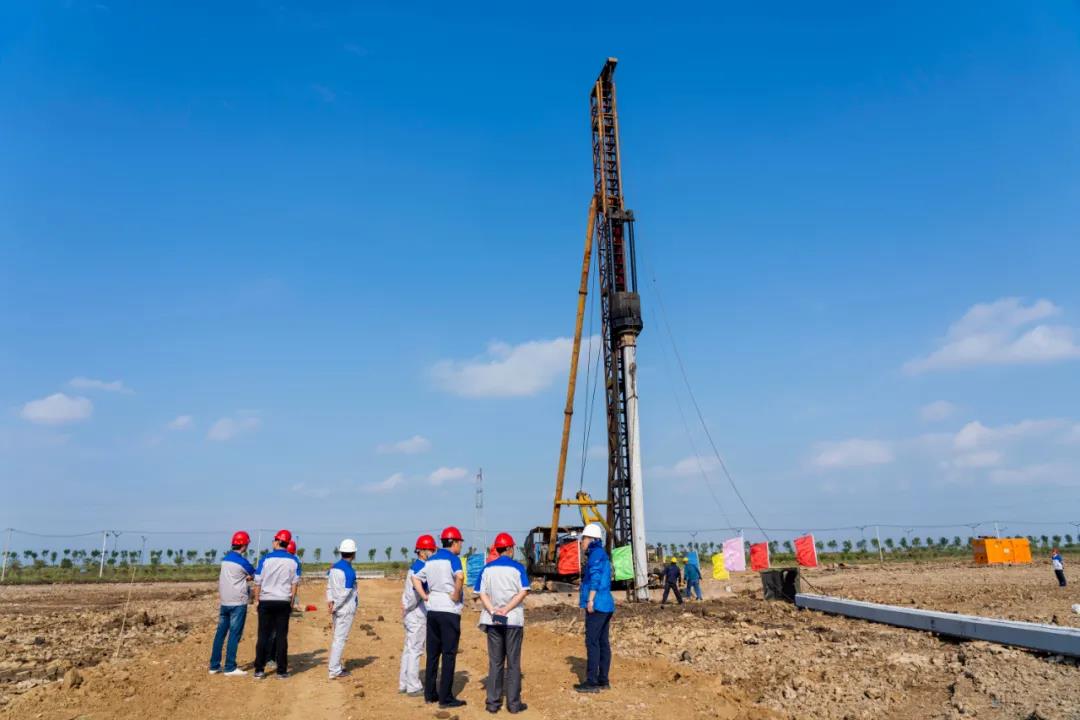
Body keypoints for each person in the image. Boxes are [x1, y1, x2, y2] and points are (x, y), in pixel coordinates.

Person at [413, 525, 466, 709]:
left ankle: (430, 694)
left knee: (433, 654)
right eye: (460, 542)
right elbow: (460, 577)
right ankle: (446, 698)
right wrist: (456, 594)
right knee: (449, 654)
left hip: (433, 610)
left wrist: (425, 596)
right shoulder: (453, 559)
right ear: (454, 542)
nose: (461, 546)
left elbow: (415, 578)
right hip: (449, 610)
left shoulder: (431, 560)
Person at [477, 532, 529, 714]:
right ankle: (513, 704)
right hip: (513, 620)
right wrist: (506, 609)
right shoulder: (518, 568)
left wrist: (493, 610)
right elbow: (523, 591)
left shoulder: (487, 569)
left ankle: (493, 703)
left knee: (496, 662)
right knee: (513, 663)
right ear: (509, 548)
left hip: (493, 621)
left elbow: (481, 593)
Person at [253, 529, 300, 679]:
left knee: (263, 635)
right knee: (281, 637)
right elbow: (294, 584)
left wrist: (256, 600)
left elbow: (258, 581)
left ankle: (259, 670)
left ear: (279, 541)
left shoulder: (265, 559)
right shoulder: (294, 561)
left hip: (266, 601)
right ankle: (281, 671)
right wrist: (291, 601)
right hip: (283, 602)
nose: (273, 542)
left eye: (274, 539)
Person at [209, 530, 256, 676]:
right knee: (234, 634)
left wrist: (244, 578)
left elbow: (234, 576)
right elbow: (254, 574)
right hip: (238, 602)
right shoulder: (242, 561)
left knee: (220, 633)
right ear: (244, 545)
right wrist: (248, 578)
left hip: (225, 601)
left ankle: (214, 665)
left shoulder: (225, 559)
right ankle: (230, 667)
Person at [576, 522, 614, 693]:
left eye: (583, 538)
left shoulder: (595, 555)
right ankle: (603, 680)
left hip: (597, 604)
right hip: (606, 604)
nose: (581, 542)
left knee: (592, 642)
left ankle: (591, 681)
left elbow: (596, 578)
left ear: (591, 539)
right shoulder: (601, 553)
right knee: (602, 642)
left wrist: (590, 600)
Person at [400, 534, 436, 696]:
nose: (433, 552)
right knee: (415, 650)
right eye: (431, 550)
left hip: (411, 613)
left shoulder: (415, 566)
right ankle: (413, 686)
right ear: (422, 551)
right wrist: (408, 608)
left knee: (409, 649)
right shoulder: (421, 569)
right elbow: (414, 595)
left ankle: (404, 682)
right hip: (416, 614)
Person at [326, 538, 359, 679]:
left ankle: (335, 666)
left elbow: (329, 586)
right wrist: (335, 606)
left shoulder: (333, 568)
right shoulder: (349, 571)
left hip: (337, 607)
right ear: (353, 554)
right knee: (340, 639)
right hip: (345, 609)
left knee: (337, 638)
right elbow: (345, 594)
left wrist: (330, 601)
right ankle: (334, 669)